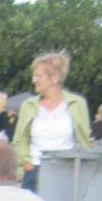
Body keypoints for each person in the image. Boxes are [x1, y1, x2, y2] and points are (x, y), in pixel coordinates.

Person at [12, 51, 91, 191]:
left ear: (54, 78)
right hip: (34, 171)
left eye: (38, 76)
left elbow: (84, 140)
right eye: (34, 75)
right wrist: (27, 163)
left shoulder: (77, 103)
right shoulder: (28, 105)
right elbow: (19, 139)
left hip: (66, 172)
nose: (33, 80)